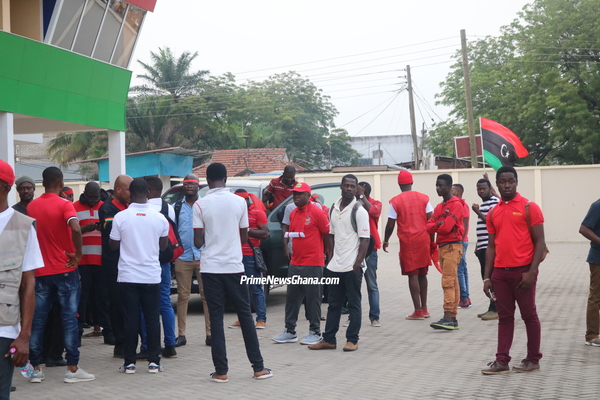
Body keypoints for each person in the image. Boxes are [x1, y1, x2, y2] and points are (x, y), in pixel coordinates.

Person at [193, 163, 272, 382]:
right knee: (245, 315)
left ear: (207, 181)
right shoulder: (240, 203)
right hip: (235, 267)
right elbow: (245, 237)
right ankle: (258, 368)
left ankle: (221, 372)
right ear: (226, 179)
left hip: (210, 269)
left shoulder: (199, 205)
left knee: (216, 319)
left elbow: (197, 242)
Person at [27, 167, 95, 383]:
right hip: (65, 269)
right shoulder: (65, 204)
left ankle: (35, 368)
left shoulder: (32, 206)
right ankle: (72, 369)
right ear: (60, 183)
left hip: (40, 270)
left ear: (43, 183)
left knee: (38, 319)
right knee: (69, 319)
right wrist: (78, 254)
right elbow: (76, 229)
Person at [481, 166, 545, 375]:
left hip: (523, 273)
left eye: (510, 181)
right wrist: (487, 277)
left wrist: (532, 272)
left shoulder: (529, 207)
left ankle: (533, 359)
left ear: (516, 182)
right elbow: (491, 246)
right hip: (500, 273)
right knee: (505, 317)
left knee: (529, 316)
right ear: (496, 184)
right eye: (502, 181)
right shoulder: (493, 212)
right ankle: (502, 361)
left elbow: (540, 242)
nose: (507, 185)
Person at [110, 178, 169, 374]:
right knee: (152, 319)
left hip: (128, 276)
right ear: (148, 193)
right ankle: (154, 362)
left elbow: (113, 245)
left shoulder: (121, 217)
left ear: (131, 194)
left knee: (130, 319)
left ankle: (129, 363)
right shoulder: (160, 218)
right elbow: (163, 246)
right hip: (151, 276)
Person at [309, 174, 369, 352]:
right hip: (335, 265)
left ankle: (352, 339)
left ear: (357, 188)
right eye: (346, 185)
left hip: (352, 266)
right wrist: (331, 257)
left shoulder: (360, 210)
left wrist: (357, 264)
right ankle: (329, 339)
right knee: (334, 304)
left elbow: (365, 240)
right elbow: (332, 235)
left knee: (354, 304)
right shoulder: (333, 209)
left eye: (352, 186)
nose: (349, 189)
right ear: (341, 187)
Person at [0, 161, 43, 399]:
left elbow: (29, 285)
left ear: (5, 188)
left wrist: (24, 336)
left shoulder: (24, 227)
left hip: (4, 328)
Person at [272, 183, 330, 345]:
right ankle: (290, 331)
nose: (295, 197)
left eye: (299, 194)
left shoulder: (317, 212)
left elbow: (327, 235)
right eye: (294, 194)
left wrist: (326, 254)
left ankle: (315, 331)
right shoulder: (293, 213)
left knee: (313, 299)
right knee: (292, 298)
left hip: (313, 263)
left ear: (308, 195)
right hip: (295, 263)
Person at [383, 170, 434, 320]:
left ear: (399, 184)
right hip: (423, 239)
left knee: (413, 274)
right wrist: (432, 241)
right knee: (423, 274)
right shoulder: (424, 198)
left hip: (408, 241)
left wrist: (386, 240)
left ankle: (417, 311)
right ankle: (425, 308)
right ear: (412, 182)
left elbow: (390, 225)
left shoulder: (395, 201)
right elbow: (431, 221)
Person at [173, 174, 211, 347]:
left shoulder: (205, 205)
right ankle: (181, 334)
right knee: (182, 297)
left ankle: (210, 334)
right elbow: (172, 230)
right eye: (186, 184)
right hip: (183, 257)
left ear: (198, 187)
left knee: (207, 296)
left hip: (204, 256)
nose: (189, 186)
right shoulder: (176, 207)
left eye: (192, 184)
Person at [99, 175, 133, 356]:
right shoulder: (108, 209)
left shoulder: (128, 207)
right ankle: (120, 344)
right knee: (117, 305)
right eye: (129, 189)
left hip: (128, 264)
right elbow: (115, 235)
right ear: (118, 190)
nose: (132, 193)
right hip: (114, 265)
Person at [426, 174, 464, 331]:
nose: (438, 188)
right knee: (452, 281)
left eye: (441, 185)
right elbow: (427, 225)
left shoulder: (456, 205)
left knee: (448, 281)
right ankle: (452, 318)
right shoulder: (439, 206)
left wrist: (438, 224)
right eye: (436, 185)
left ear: (449, 187)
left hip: (452, 247)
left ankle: (448, 317)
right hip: (443, 246)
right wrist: (438, 224)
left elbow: (446, 228)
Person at [145, 176, 177, 359]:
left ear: (147, 190)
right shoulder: (169, 208)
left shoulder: (140, 208)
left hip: (145, 262)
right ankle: (170, 345)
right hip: (164, 261)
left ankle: (149, 345)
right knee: (165, 301)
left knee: (145, 306)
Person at [229, 189, 269, 329]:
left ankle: (261, 319)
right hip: (235, 256)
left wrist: (246, 230)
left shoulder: (258, 213)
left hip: (250, 256)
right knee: (240, 289)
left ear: (247, 200)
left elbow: (265, 233)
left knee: (256, 288)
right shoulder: (233, 214)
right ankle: (243, 319)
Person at [74, 182, 105, 340]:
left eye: (96, 197)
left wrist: (102, 228)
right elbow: (69, 232)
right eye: (90, 197)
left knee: (100, 297)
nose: (93, 200)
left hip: (100, 260)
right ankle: (78, 331)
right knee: (82, 297)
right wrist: (84, 229)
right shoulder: (74, 207)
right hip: (82, 261)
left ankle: (100, 328)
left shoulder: (104, 207)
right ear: (84, 194)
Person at [472, 178, 499, 321]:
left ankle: (496, 309)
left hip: (490, 247)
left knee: (490, 278)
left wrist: (477, 212)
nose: (481, 191)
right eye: (478, 189)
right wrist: (477, 245)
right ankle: (492, 307)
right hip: (482, 246)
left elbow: (492, 223)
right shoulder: (485, 203)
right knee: (486, 277)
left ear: (490, 189)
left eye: (483, 188)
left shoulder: (494, 202)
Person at [357, 181, 382, 327]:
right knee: (354, 285)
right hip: (355, 248)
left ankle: (374, 317)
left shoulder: (375, 203)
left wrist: (361, 197)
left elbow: (373, 212)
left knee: (372, 285)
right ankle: (353, 316)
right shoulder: (352, 205)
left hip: (371, 250)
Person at [579, 197, 600, 346]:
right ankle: (592, 335)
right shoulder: (597, 206)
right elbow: (584, 228)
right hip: (598, 259)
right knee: (596, 296)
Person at [452, 183, 471, 309]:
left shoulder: (461, 205)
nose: (450, 191)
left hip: (461, 241)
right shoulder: (458, 204)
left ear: (458, 192)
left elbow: (465, 224)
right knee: (462, 268)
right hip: (461, 240)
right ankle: (465, 297)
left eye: (452, 190)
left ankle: (464, 298)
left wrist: (461, 239)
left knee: (460, 269)